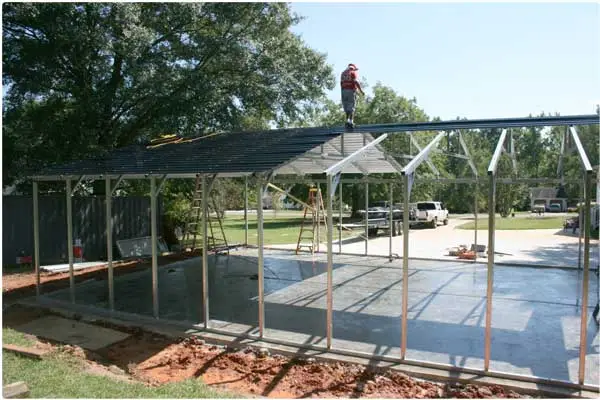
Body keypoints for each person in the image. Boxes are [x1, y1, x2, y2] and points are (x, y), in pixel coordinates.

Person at [340, 63, 365, 128]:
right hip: (350, 91)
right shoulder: (352, 72)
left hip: (343, 91)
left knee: (346, 107)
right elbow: (355, 81)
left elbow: (341, 83)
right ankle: (351, 122)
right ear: (353, 68)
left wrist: (343, 92)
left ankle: (347, 121)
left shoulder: (343, 73)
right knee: (351, 106)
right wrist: (361, 91)